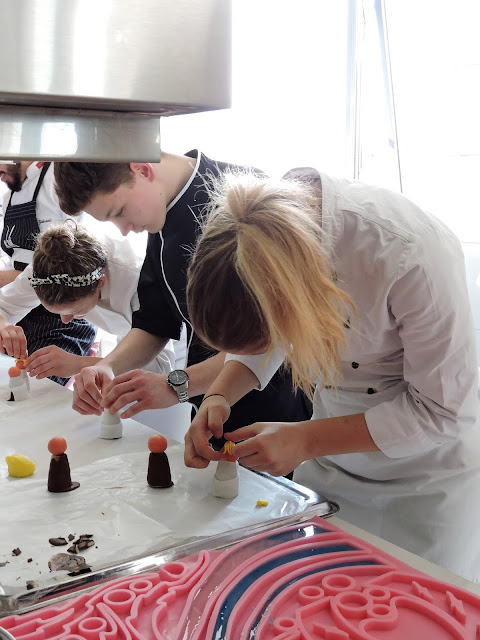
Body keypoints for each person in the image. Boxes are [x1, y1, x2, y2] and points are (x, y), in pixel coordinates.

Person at [183, 168, 480, 582]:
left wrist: (304, 438)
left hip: (426, 481)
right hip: (332, 469)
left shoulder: (408, 252)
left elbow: (444, 411)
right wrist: (218, 396)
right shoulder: (261, 241)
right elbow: (265, 337)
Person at [52, 152, 312, 442]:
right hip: (209, 409)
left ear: (141, 169)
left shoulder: (244, 199)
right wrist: (106, 366)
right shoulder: (159, 217)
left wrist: (175, 386)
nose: (124, 231)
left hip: (274, 411)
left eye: (119, 211)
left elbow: (267, 339)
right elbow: (155, 323)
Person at [0, 222, 175, 379]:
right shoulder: (45, 270)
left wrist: (78, 364)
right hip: (122, 347)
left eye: (73, 312)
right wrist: (3, 327)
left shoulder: (138, 280)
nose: (64, 320)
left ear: (100, 282)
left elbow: (161, 368)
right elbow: (4, 306)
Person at [0, 161, 97, 384]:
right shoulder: (9, 198)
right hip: (23, 310)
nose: (0, 177)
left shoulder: (58, 180)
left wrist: (6, 278)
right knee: (11, 387)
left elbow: (73, 261)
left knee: (41, 392)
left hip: (63, 316)